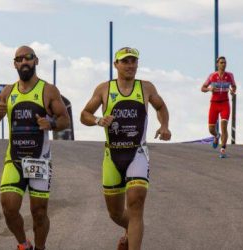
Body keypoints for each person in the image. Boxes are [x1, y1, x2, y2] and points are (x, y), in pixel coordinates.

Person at [80, 47, 171, 250]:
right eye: (125, 61)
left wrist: (164, 125)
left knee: (136, 204)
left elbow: (161, 107)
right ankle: (129, 231)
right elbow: (84, 114)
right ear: (116, 65)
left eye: (134, 61)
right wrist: (98, 120)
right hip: (112, 154)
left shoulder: (146, 88)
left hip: (137, 153)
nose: (130, 65)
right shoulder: (104, 89)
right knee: (115, 213)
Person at [0, 46, 70, 250]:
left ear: (36, 61)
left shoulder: (48, 90)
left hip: (39, 160)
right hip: (14, 159)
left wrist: (50, 124)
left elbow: (65, 120)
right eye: (20, 59)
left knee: (39, 213)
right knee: (9, 207)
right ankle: (24, 244)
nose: (24, 61)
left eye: (29, 58)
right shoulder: (8, 91)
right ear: (15, 64)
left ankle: (40, 248)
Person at [201, 56, 236, 158]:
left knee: (224, 127)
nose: (223, 64)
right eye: (221, 63)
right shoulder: (212, 76)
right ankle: (216, 136)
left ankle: (223, 149)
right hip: (214, 104)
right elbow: (202, 88)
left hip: (225, 103)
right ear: (217, 64)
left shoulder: (230, 76)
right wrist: (209, 89)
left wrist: (233, 91)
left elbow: (234, 86)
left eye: (225, 63)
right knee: (211, 129)